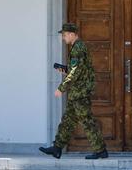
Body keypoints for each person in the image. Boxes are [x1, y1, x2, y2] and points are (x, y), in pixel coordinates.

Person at [39, 22, 108, 159]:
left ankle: (101, 150)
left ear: (71, 34)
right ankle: (57, 148)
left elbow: (75, 72)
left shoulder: (78, 48)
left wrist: (61, 87)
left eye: (64, 35)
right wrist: (64, 70)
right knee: (67, 121)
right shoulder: (77, 47)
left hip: (80, 93)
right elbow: (77, 70)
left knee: (87, 122)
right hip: (77, 92)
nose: (63, 38)